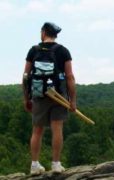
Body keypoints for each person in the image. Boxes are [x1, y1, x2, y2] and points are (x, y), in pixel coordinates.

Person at [22, 22, 77, 175]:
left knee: (37, 130)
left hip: (39, 95)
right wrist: (72, 100)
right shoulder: (63, 51)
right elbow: (70, 77)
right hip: (59, 96)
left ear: (44, 32)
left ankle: (34, 166)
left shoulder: (33, 50)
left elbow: (26, 76)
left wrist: (26, 98)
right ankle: (56, 164)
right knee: (57, 129)